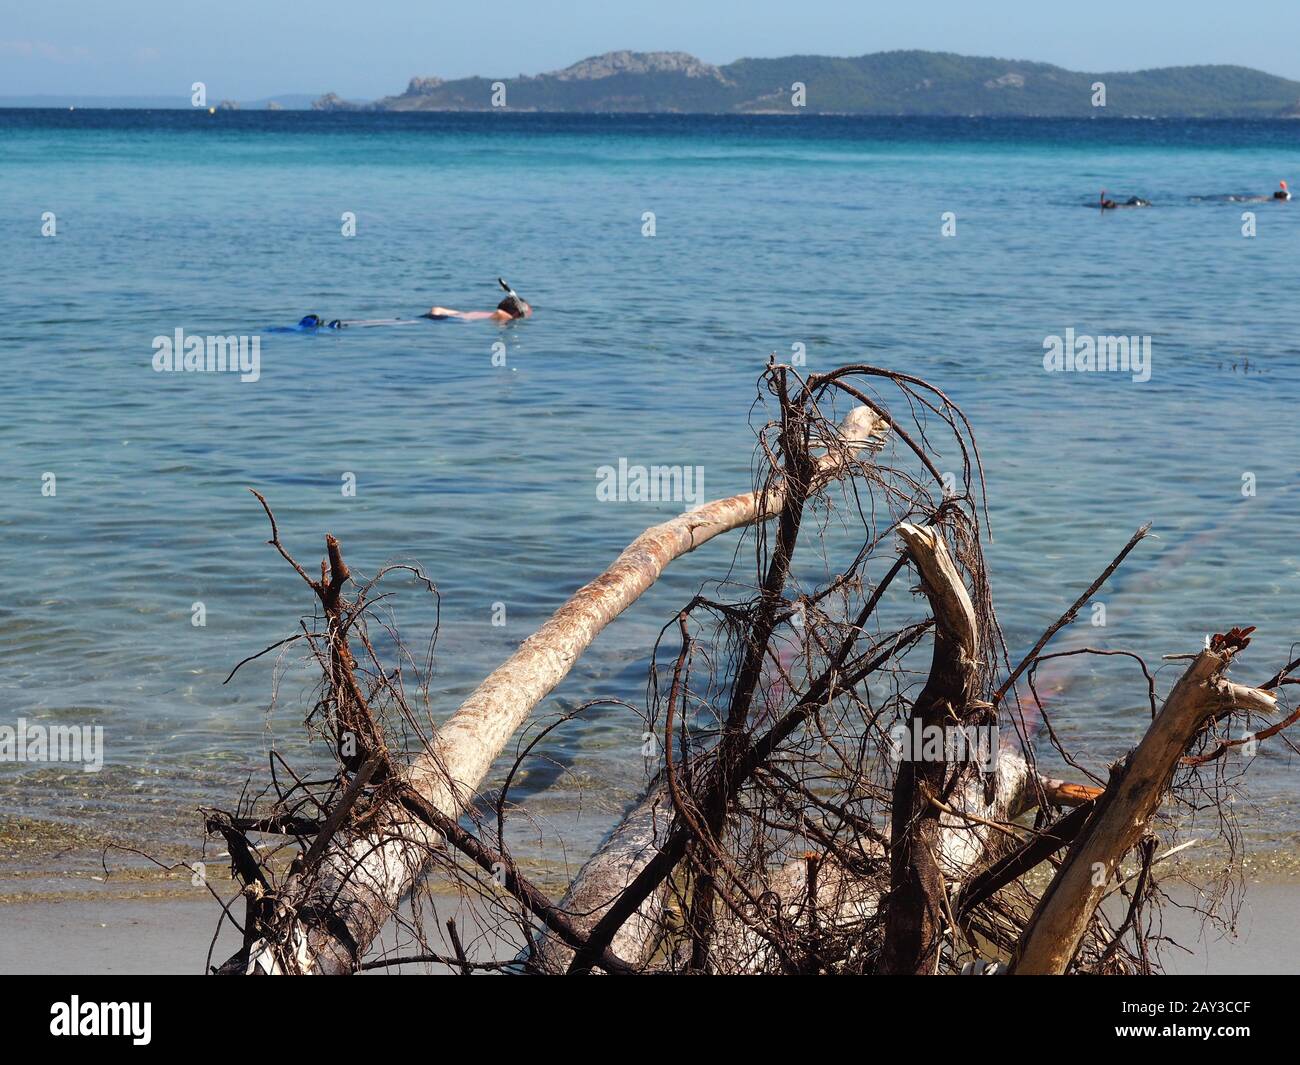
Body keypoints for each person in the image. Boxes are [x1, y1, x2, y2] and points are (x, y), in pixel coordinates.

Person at [426, 278, 532, 321]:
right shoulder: (503, 316)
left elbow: (437, 309)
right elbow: (501, 314)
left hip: (445, 316)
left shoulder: (484, 313)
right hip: (449, 320)